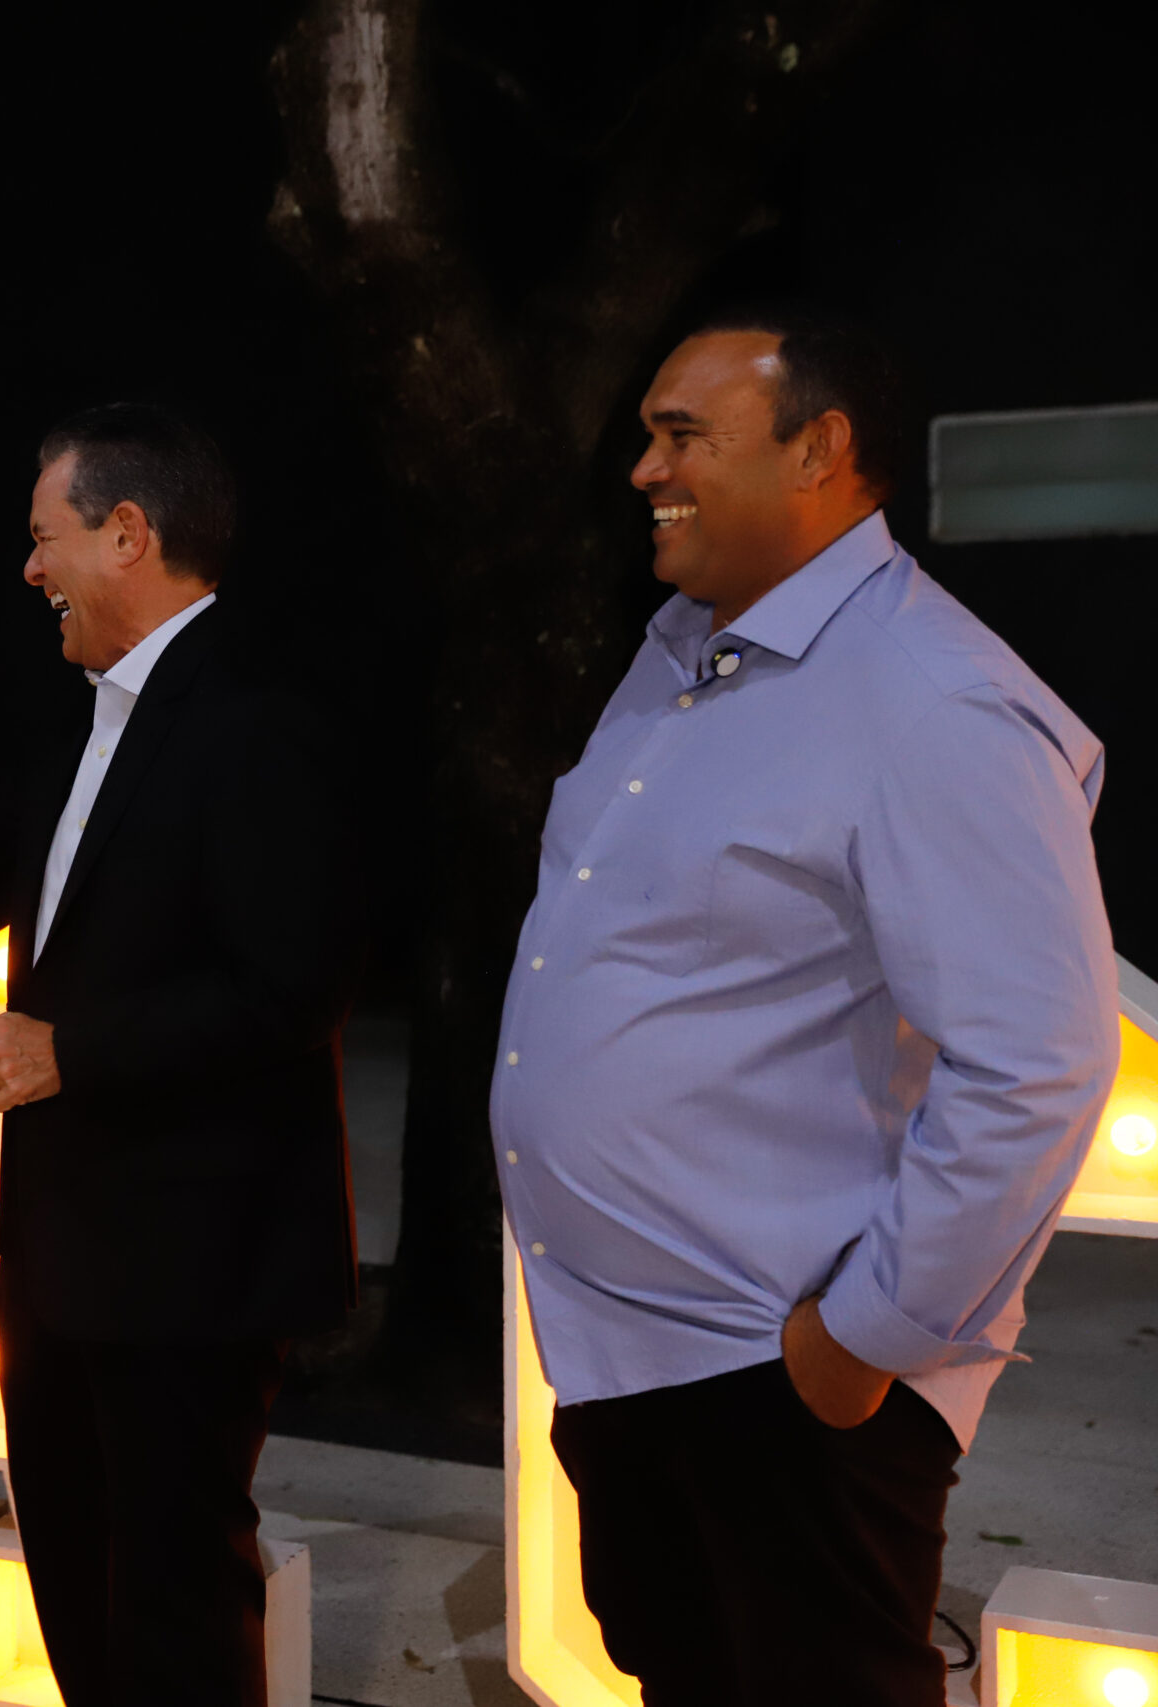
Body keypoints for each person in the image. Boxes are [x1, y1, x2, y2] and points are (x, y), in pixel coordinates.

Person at [493, 308, 1118, 1706]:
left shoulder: (933, 699)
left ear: (819, 450)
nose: (644, 470)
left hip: (782, 1377)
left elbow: (1036, 1062)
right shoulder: (676, 657)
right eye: (646, 436)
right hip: (634, 1362)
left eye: (682, 436)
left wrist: (866, 1340)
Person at [0, 404, 359, 1707]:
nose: (29, 567)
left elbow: (292, 989)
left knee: (171, 1607)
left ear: (127, 534)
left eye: (46, 536)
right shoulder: (88, 722)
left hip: (191, 1265)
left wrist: (70, 1049)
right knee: (79, 1588)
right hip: (59, 1255)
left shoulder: (261, 719)